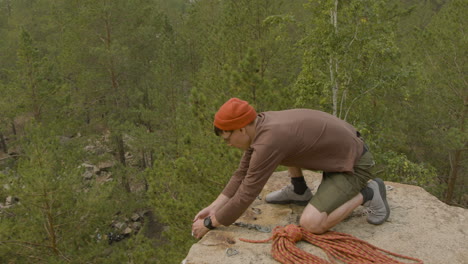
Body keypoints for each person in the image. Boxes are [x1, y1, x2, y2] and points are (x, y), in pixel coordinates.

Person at [191, 98, 390, 239]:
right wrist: (214, 207)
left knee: (311, 224)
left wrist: (210, 223)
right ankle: (299, 190)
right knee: (288, 148)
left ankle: (369, 193)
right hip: (339, 156)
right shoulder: (261, 124)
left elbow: (247, 193)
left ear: (241, 129)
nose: (228, 144)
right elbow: (241, 173)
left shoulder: (269, 141)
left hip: (354, 165)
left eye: (228, 139)